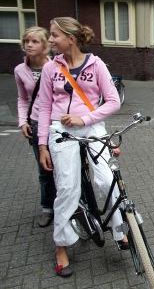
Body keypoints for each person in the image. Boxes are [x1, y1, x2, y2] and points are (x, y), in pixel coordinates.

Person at [37, 17, 127, 277]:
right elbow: (44, 108)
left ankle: (121, 231)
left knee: (107, 180)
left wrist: (85, 118)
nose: (50, 40)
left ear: (71, 39)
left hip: (91, 126)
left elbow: (112, 102)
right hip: (61, 130)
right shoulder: (49, 69)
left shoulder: (96, 64)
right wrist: (42, 146)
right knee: (67, 188)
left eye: (54, 35)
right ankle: (61, 245)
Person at [14, 26, 57, 227]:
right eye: (26, 41)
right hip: (36, 122)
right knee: (44, 169)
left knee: (64, 166)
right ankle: (47, 207)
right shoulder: (20, 70)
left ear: (46, 45)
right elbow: (23, 99)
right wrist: (23, 121)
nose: (29, 45)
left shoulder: (57, 66)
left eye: (34, 41)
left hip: (56, 123)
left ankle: (69, 204)